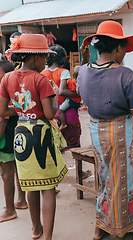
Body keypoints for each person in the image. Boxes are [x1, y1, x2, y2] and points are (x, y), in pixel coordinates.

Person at [77, 20, 133, 240]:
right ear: (117, 47)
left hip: (96, 131)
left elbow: (83, 96)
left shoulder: (83, 72)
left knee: (104, 177)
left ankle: (100, 227)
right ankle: (121, 231)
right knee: (123, 181)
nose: (124, 52)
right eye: (124, 47)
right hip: (120, 134)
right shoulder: (126, 75)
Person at [0, 34, 68, 240]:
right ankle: (47, 235)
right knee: (47, 187)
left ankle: (36, 229)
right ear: (35, 57)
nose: (45, 62)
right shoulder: (41, 80)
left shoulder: (7, 78)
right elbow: (49, 114)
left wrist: (23, 109)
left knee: (30, 184)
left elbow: (3, 110)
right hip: (40, 134)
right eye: (43, 58)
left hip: (20, 133)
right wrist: (54, 98)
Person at [0, 60, 27, 223]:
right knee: (18, 170)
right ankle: (21, 201)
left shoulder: (5, 93)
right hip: (17, 135)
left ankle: (9, 209)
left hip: (6, 137)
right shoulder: (17, 90)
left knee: (6, 174)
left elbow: (3, 120)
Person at [42, 45, 82, 151]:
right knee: (72, 146)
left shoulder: (43, 73)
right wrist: (79, 94)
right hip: (65, 109)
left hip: (49, 108)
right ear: (62, 58)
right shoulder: (63, 72)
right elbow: (63, 91)